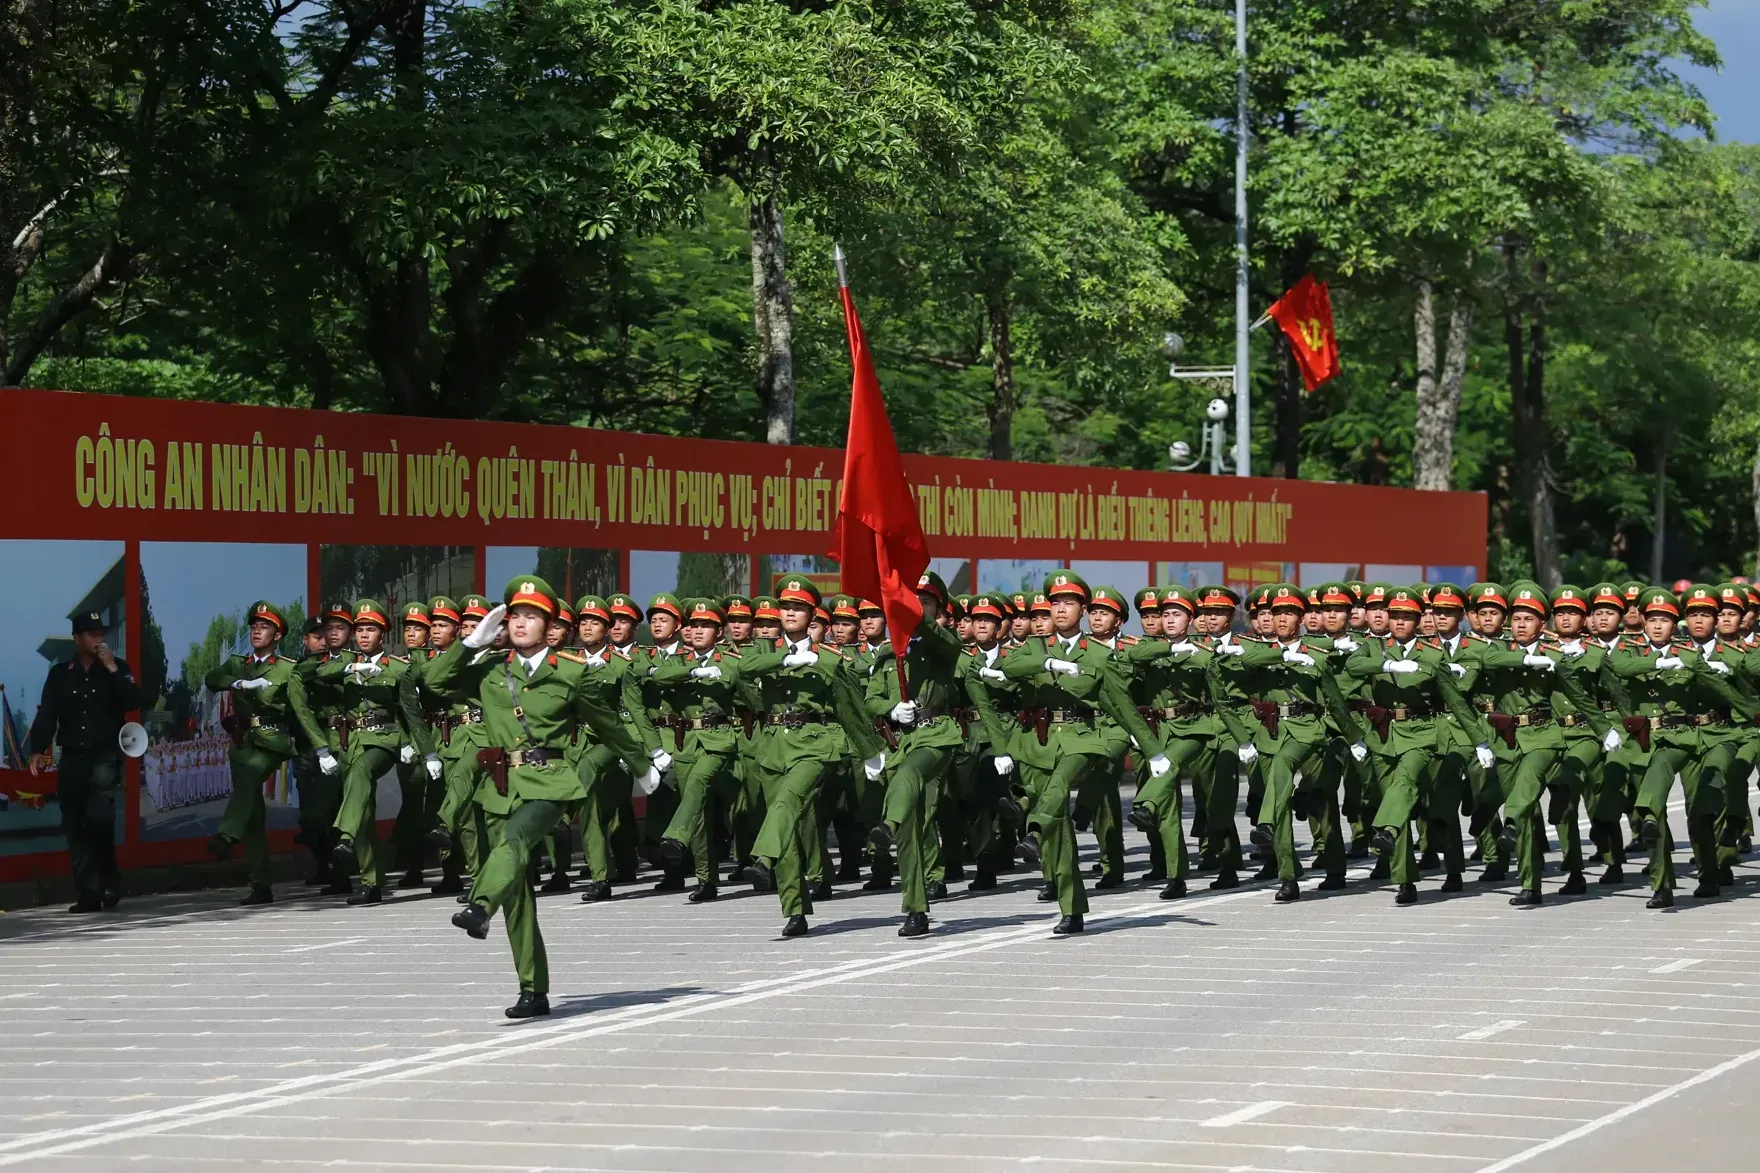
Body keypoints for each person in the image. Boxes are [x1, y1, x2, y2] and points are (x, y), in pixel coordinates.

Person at [435, 578, 656, 1018]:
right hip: (499, 785)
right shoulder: (490, 669)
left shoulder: (571, 672)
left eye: (531, 617)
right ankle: (533, 990)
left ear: (550, 625)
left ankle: (479, 905)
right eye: (515, 616)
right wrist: (470, 643)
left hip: (549, 782)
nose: (520, 623)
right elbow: (434, 681)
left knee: (514, 843)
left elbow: (609, 724)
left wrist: (642, 765)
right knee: (516, 890)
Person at [204, 601, 332, 905]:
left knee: (248, 782)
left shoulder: (288, 668)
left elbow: (301, 709)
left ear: (277, 635)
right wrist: (239, 682)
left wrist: (321, 746)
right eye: (253, 627)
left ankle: (225, 836)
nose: (257, 631)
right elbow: (212, 679)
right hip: (243, 741)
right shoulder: (238, 664)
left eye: (265, 627)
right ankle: (260, 883)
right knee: (252, 812)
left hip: (274, 739)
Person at [27, 610, 144, 913]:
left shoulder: (117, 667)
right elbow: (47, 713)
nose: (97, 639)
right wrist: (38, 749)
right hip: (73, 759)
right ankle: (89, 893)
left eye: (100, 634)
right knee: (76, 826)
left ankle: (109, 883)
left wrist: (111, 667)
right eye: (91, 634)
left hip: (104, 755)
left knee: (100, 821)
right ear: (77, 639)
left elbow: (133, 701)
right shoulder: (60, 673)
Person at [323, 599, 434, 905]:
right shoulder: (342, 662)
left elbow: (410, 712)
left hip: (384, 741)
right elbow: (308, 673)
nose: (363, 635)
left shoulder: (398, 668)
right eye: (359, 629)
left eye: (370, 629)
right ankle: (372, 882)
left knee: (361, 773)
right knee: (363, 808)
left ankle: (343, 836)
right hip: (349, 742)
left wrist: (421, 748)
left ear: (382, 634)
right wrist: (349, 666)